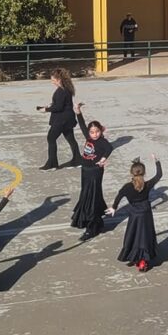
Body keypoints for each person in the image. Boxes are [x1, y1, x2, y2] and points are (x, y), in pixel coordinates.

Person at [106, 155, 162, 272]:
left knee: (134, 235)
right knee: (145, 235)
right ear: (144, 173)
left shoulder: (127, 187)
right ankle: (143, 260)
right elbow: (159, 175)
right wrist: (157, 161)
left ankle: (135, 257)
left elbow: (119, 195)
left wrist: (114, 207)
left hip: (134, 214)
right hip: (146, 213)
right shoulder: (147, 185)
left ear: (131, 173)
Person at [71, 102, 112, 240]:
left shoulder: (102, 142)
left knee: (91, 198)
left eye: (97, 131)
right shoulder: (88, 138)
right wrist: (78, 111)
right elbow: (82, 124)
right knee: (86, 196)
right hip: (85, 171)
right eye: (92, 132)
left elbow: (109, 148)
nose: (95, 134)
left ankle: (91, 228)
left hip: (95, 172)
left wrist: (103, 159)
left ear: (101, 131)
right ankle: (97, 223)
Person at [36, 68, 79, 170]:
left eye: (53, 80)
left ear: (59, 79)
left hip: (61, 120)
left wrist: (46, 109)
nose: (52, 82)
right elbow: (62, 103)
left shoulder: (61, 91)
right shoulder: (66, 88)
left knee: (51, 138)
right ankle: (78, 160)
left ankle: (52, 164)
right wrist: (51, 105)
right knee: (71, 139)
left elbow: (59, 107)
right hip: (68, 118)